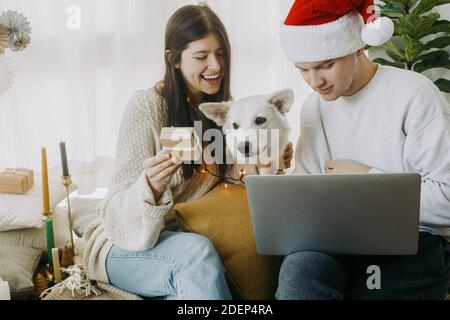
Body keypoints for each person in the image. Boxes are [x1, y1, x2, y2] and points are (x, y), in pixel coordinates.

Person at [82, 3, 293, 300]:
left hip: (175, 237)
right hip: (121, 243)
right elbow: (116, 209)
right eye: (201, 56)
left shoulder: (223, 113)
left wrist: (269, 158)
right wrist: (151, 186)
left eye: (220, 54)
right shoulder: (147, 106)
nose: (216, 66)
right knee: (196, 255)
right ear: (174, 59)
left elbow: (235, 174)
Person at [277, 0, 450, 300]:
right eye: (303, 70)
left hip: (414, 238)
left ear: (357, 47)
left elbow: (447, 200)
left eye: (325, 65)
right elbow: (306, 197)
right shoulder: (313, 107)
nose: (315, 81)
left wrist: (368, 179)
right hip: (336, 240)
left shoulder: (414, 94)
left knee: (373, 288)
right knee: (299, 273)